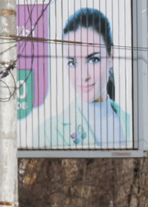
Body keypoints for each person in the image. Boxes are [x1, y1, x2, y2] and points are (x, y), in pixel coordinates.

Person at [36, 8, 132, 148]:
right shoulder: (47, 133)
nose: (83, 76)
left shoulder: (131, 125)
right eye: (72, 63)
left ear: (111, 57)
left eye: (93, 60)